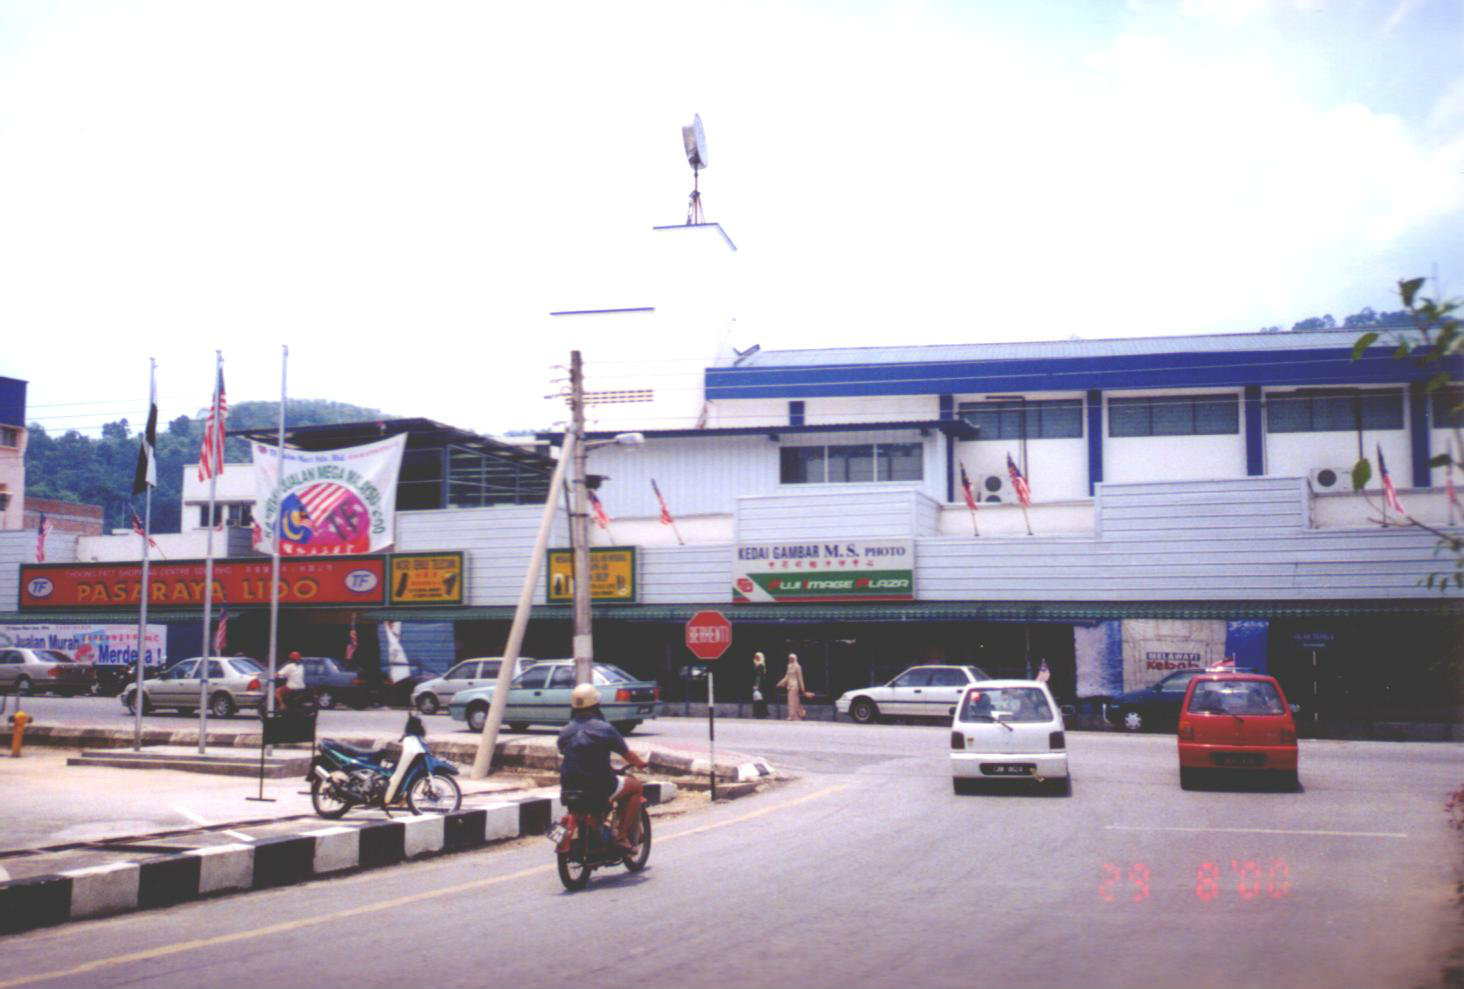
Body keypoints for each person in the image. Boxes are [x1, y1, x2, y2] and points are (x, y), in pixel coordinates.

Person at [558, 683, 650, 852]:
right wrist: (640, 763)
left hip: (568, 787)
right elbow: (627, 754)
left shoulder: (565, 730)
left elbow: (565, 751)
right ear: (596, 704)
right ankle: (621, 836)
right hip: (599, 785)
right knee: (635, 786)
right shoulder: (605, 728)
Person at [776, 653, 812, 721]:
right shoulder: (789, 666)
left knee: (791, 701)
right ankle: (802, 713)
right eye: (790, 658)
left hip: (795, 686)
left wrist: (803, 689)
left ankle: (791, 716)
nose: (790, 659)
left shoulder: (798, 667)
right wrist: (780, 683)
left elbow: (800, 678)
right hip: (789, 685)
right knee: (795, 701)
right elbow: (787, 676)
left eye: (792, 658)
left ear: (795, 658)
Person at [751, 652, 769, 719]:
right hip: (758, 684)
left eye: (758, 657)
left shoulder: (760, 665)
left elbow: (759, 676)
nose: (756, 658)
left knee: (759, 699)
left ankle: (760, 714)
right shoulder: (756, 665)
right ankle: (759, 713)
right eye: (756, 657)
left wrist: (757, 685)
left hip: (760, 685)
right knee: (758, 699)